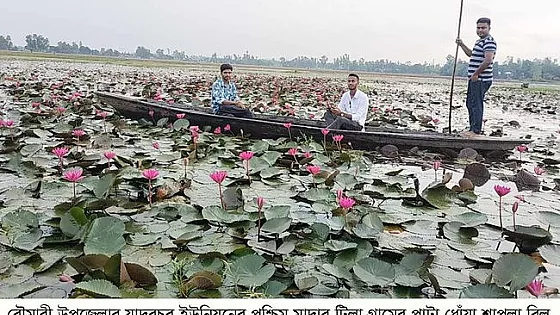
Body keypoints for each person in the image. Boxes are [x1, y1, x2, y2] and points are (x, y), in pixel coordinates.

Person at [456, 17, 497, 137]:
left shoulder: (489, 41)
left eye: (483, 28)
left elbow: (488, 60)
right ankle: (472, 127)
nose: (480, 30)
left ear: (489, 28)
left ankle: (475, 130)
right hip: (474, 78)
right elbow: (470, 54)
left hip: (480, 79)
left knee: (476, 104)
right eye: (478, 28)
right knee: (470, 103)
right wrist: (461, 44)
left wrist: (476, 73)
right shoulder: (479, 41)